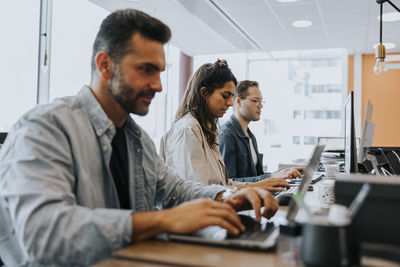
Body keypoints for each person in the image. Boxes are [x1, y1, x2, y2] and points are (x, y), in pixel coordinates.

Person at [0, 9, 278, 266]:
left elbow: (175, 191)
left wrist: (227, 195)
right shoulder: (44, 128)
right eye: (146, 69)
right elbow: (43, 235)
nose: (157, 85)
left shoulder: (136, 138)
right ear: (105, 64)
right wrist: (162, 221)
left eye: (160, 72)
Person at [160, 61, 301, 190]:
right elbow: (199, 192)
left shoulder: (207, 130)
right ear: (204, 93)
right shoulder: (188, 130)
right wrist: (257, 186)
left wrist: (260, 184)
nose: (230, 103)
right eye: (225, 95)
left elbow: (224, 183)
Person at [219, 80, 303, 179]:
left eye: (261, 101)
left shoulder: (251, 136)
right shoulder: (227, 135)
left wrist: (284, 172)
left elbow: (257, 177)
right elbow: (229, 182)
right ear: (238, 102)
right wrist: (271, 177)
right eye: (255, 100)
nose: (261, 105)